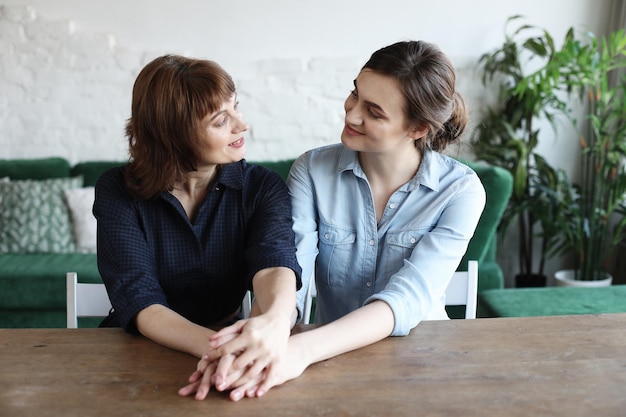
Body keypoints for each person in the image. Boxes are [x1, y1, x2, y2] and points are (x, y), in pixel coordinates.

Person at [179, 40, 486, 401]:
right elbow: (288, 271)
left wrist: (299, 351)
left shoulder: (460, 192)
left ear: (417, 128)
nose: (352, 114)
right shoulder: (312, 171)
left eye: (374, 111)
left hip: (418, 363)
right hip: (324, 364)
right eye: (354, 95)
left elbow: (407, 299)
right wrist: (257, 341)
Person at [94, 55, 302, 380]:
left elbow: (274, 263)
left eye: (236, 107)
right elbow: (139, 296)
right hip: (139, 353)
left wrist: (275, 323)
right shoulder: (117, 190)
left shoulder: (262, 186)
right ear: (173, 135)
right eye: (221, 121)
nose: (242, 125)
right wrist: (221, 351)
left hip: (226, 350)